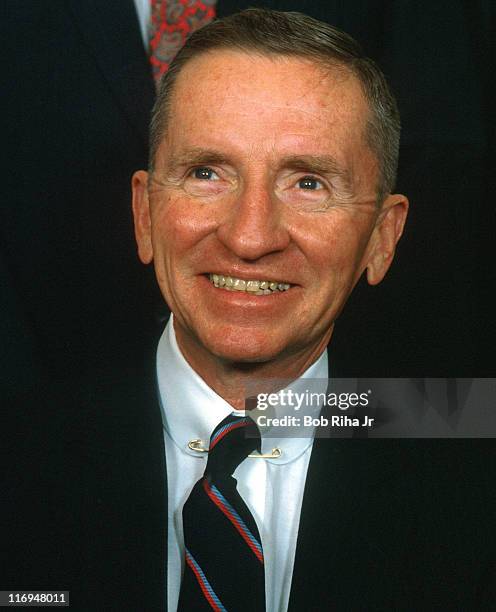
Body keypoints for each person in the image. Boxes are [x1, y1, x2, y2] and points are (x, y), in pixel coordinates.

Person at [3, 9, 494, 612]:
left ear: (382, 238)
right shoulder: (21, 453)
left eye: (308, 183)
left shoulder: (468, 452)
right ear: (144, 214)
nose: (250, 236)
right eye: (206, 173)